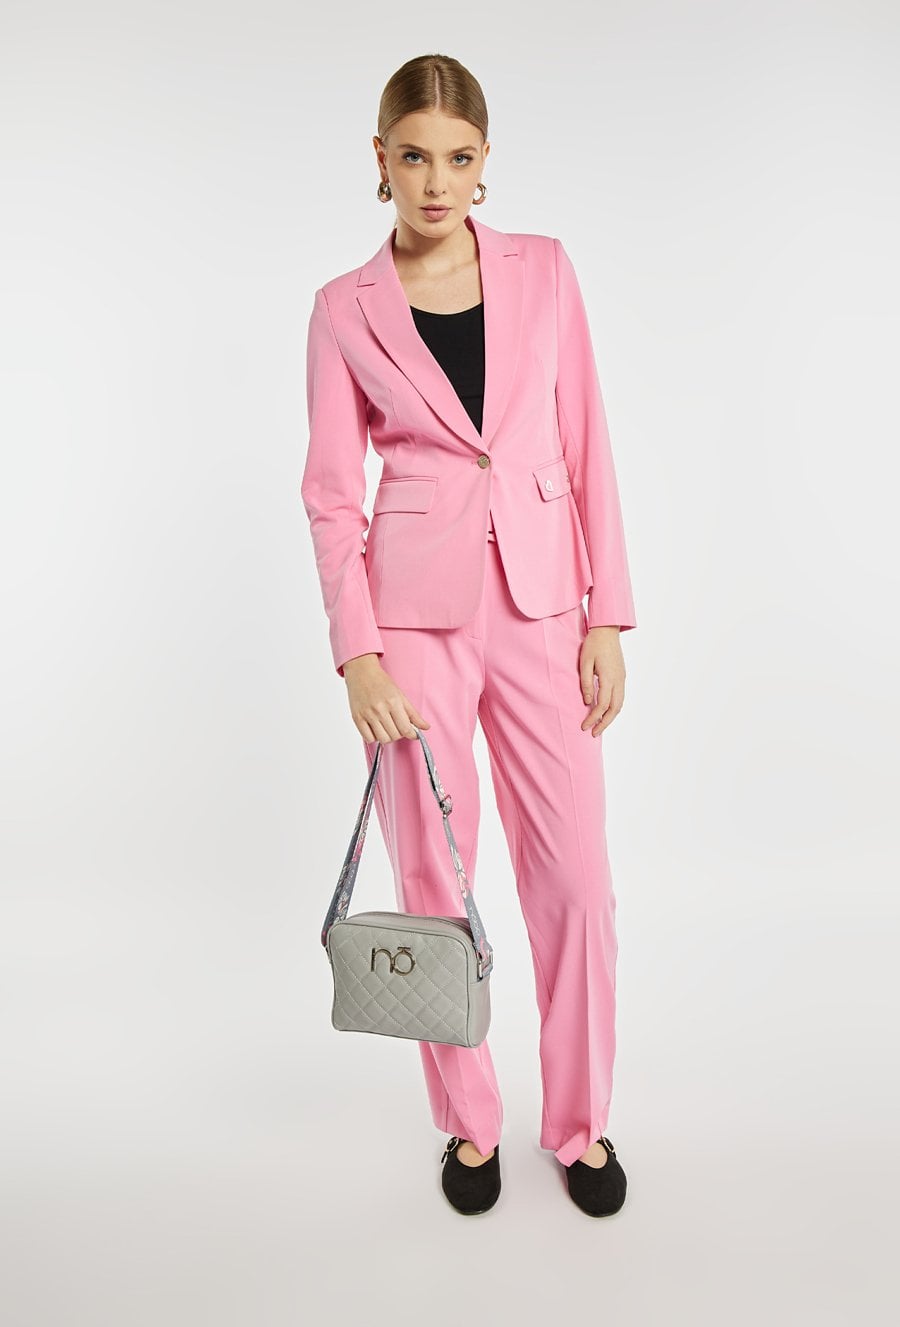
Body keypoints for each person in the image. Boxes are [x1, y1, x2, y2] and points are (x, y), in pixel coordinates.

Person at [301, 53, 637, 1217]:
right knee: (435, 881)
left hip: (545, 611)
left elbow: (587, 442)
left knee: (577, 881)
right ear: (381, 160)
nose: (435, 181)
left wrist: (609, 613)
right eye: (414, 156)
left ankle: (580, 1123)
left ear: (485, 162)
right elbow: (330, 496)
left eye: (457, 157)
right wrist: (358, 656)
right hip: (410, 626)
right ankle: (469, 1124)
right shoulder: (343, 308)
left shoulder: (546, 270)